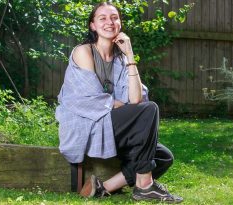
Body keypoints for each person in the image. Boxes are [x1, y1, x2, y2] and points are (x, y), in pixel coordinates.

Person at [55, 2, 182, 203]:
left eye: (114, 17)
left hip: (111, 124)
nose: (109, 22)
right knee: (149, 110)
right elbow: (89, 99)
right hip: (87, 125)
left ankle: (103, 187)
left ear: (120, 23)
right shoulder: (84, 52)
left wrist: (130, 56)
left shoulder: (121, 59)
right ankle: (145, 186)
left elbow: (136, 99)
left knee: (164, 156)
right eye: (102, 18)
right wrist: (120, 104)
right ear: (93, 26)